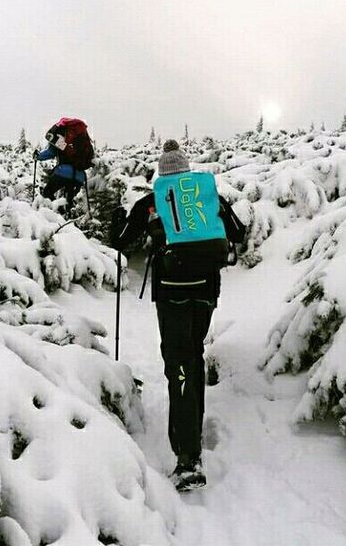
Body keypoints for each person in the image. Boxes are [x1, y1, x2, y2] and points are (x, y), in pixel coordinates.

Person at [110, 139, 246, 491]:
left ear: (162, 172)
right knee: (194, 355)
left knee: (178, 365)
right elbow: (238, 232)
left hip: (171, 292)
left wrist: (117, 219)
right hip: (206, 290)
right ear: (186, 170)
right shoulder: (207, 196)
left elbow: (121, 240)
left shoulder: (153, 200)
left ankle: (188, 459)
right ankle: (192, 441)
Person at [33, 118, 94, 215]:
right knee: (70, 203)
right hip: (79, 176)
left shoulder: (61, 140)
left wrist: (38, 156)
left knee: (47, 192)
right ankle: (70, 220)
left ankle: (59, 214)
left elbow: (50, 153)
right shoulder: (83, 140)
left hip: (63, 172)